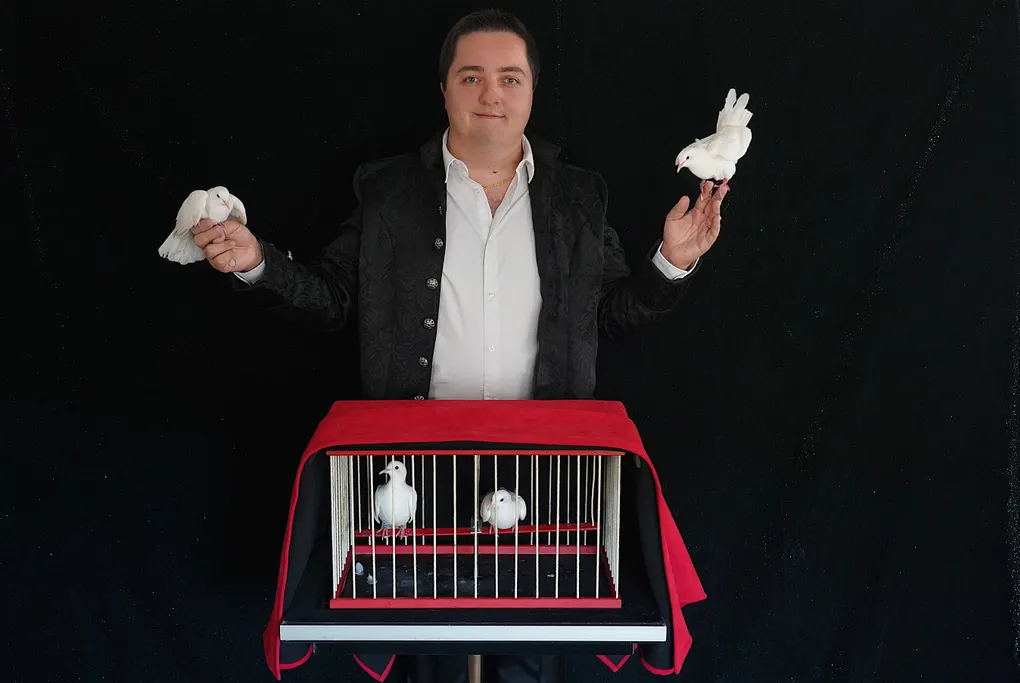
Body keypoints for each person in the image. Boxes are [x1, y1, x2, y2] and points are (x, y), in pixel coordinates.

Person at [191, 8, 726, 682]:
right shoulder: (387, 189)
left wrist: (671, 263)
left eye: (509, 77)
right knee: (433, 653)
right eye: (471, 76)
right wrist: (257, 263)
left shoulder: (578, 195)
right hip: (417, 468)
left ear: (531, 90)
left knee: (531, 659)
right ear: (444, 89)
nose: (491, 93)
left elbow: (610, 319)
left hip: (546, 470)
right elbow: (333, 300)